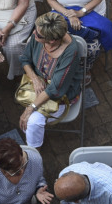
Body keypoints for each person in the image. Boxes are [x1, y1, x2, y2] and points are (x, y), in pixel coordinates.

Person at [18, 12, 84, 148]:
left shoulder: (71, 52)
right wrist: (35, 79)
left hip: (61, 95)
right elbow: (25, 59)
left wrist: (31, 108)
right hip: (38, 87)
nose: (34, 34)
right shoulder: (38, 35)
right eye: (35, 30)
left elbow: (55, 89)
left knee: (33, 121)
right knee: (31, 120)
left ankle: (32, 151)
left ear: (52, 40)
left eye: (38, 34)